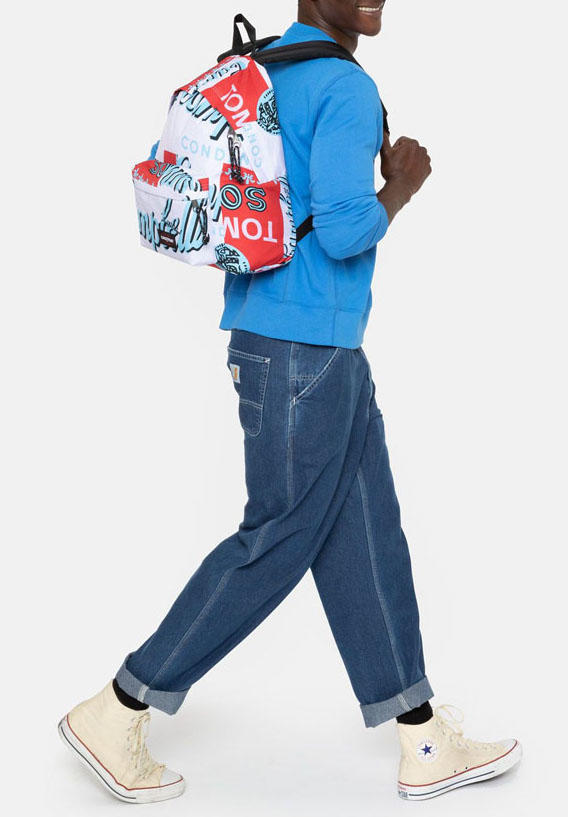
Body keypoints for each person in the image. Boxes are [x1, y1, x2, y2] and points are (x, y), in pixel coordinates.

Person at [58, 0, 521, 804]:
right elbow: (343, 231)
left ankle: (420, 737)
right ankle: (121, 705)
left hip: (291, 344)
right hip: (309, 351)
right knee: (276, 539)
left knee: (367, 532)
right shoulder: (343, 86)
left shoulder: (270, 70)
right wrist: (401, 186)